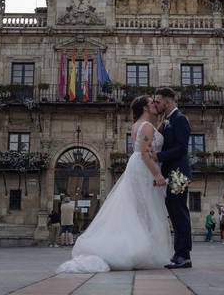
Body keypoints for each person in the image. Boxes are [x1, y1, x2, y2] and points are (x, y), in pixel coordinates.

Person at [57, 95, 173, 272]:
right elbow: (145, 153)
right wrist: (157, 174)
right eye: (151, 102)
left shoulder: (136, 125)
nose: (155, 104)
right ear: (145, 108)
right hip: (144, 168)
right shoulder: (147, 126)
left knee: (138, 209)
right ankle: (138, 249)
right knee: (145, 209)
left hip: (137, 167)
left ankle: (140, 247)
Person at [153, 87, 194, 269]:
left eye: (158, 101)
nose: (157, 104)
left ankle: (184, 255)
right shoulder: (167, 120)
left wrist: (159, 157)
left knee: (179, 213)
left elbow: (181, 148)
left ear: (168, 102)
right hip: (171, 174)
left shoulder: (180, 119)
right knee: (174, 213)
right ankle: (179, 253)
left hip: (179, 174)